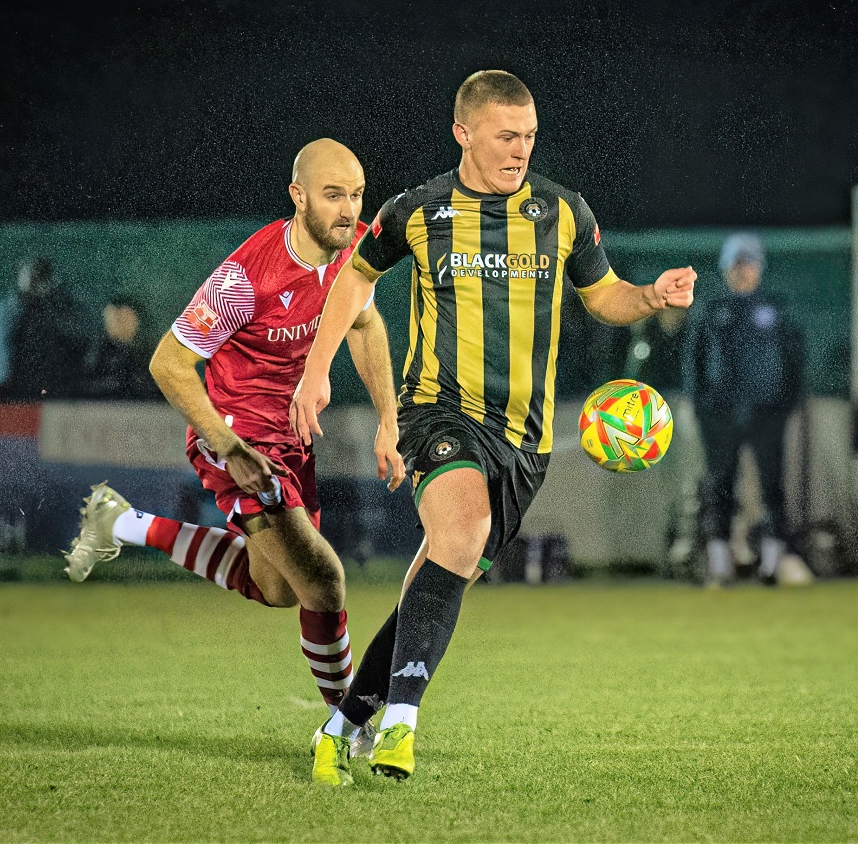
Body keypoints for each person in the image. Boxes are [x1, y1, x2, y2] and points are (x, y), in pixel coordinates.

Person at [291, 70, 696, 785]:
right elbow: (355, 279)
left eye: (530, 135)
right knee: (460, 530)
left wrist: (649, 296)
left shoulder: (562, 211)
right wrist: (318, 370)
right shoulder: (417, 209)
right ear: (465, 134)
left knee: (441, 568)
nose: (521, 148)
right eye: (507, 135)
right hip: (438, 411)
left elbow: (603, 297)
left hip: (525, 442)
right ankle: (400, 727)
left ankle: (342, 723)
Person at [63, 139, 405, 740]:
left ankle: (121, 524)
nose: (349, 209)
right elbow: (168, 363)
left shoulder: (352, 253)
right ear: (297, 197)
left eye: (356, 194)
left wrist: (387, 419)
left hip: (292, 439)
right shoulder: (248, 276)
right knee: (324, 584)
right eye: (333, 196)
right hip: (240, 439)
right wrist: (227, 445)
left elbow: (366, 322)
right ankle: (349, 725)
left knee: (277, 589)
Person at [684, 233, 803, 586]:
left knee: (772, 486)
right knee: (719, 486)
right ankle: (720, 563)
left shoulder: (778, 309)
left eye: (748, 264)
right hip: (720, 416)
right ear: (725, 269)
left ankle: (772, 564)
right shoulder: (710, 310)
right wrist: (702, 407)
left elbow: (795, 360)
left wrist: (785, 404)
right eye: (736, 265)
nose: (742, 271)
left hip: (768, 414)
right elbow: (695, 363)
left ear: (759, 268)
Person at [0, 257, 86, 401]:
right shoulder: (2, 312)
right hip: (0, 394)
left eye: (42, 277)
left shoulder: (59, 314)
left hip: (45, 395)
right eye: (35, 277)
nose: (39, 284)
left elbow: (75, 351)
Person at [83, 295, 159, 400]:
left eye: (123, 318)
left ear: (136, 320)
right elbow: (87, 386)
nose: (116, 323)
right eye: (112, 318)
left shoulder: (149, 353)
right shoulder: (96, 353)